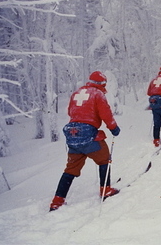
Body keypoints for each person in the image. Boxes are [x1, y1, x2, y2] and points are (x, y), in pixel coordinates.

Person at [49, 71, 121, 211]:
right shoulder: (97, 94)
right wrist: (114, 128)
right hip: (89, 136)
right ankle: (105, 190)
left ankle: (57, 200)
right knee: (104, 158)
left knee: (70, 168)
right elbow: (105, 113)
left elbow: (71, 112)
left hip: (73, 135)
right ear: (102, 83)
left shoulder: (77, 93)